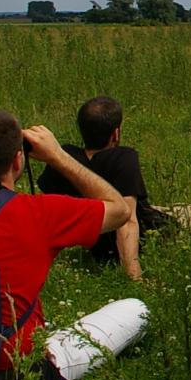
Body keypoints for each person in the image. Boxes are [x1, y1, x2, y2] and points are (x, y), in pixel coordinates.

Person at [0, 111, 148, 380]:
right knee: (137, 309)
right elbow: (119, 210)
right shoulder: (38, 212)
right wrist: (57, 155)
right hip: (16, 368)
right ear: (18, 160)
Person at [37, 96, 169, 279]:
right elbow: (128, 220)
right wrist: (134, 275)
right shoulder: (123, 158)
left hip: (85, 234)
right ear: (115, 133)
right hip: (123, 237)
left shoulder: (64, 157)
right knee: (190, 214)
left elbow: (49, 207)